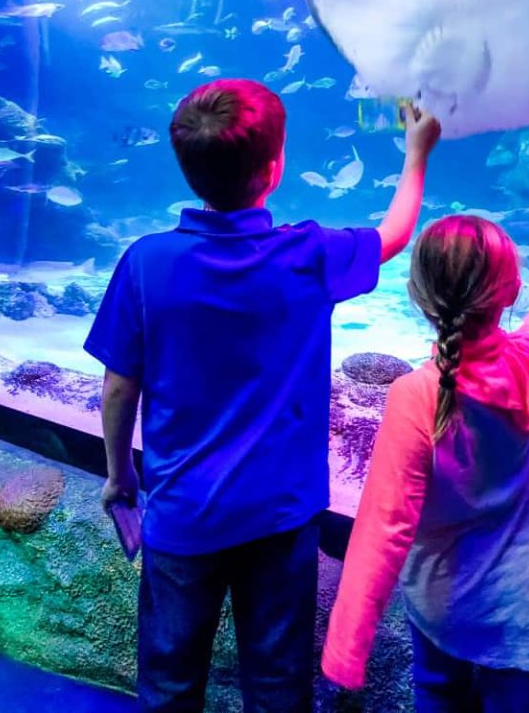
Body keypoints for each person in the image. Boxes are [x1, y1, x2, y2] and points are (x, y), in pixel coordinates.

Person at [83, 79, 441, 713]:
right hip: (281, 516)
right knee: (277, 686)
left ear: (184, 164)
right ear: (275, 168)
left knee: (168, 681)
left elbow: (119, 386)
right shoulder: (308, 254)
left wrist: (120, 475)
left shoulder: (147, 262)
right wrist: (417, 152)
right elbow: (393, 233)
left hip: (182, 516)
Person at [321, 215, 529, 713]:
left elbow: (383, 527)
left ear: (417, 295)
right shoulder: (527, 364)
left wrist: (345, 645)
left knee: (438, 698)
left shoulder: (414, 397)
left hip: (444, 610)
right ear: (510, 293)